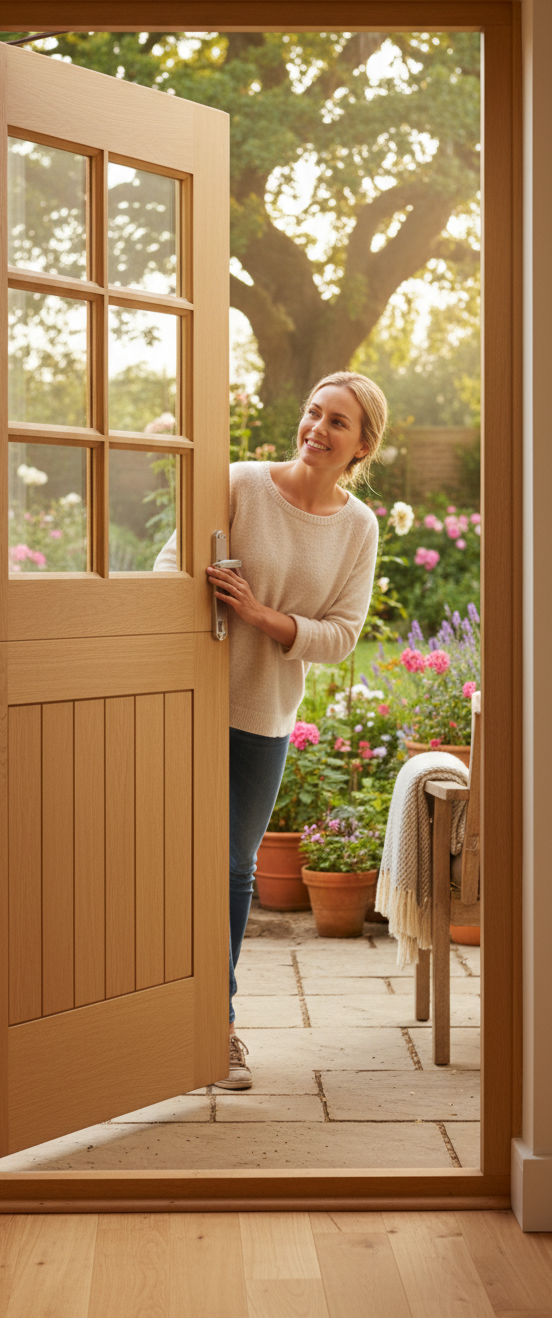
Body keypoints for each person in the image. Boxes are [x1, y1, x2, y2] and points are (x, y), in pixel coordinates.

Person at [155, 370, 387, 1089]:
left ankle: (214, 1029)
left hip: (261, 715)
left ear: (362, 445)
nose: (317, 428)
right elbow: (170, 565)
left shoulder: (357, 527)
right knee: (160, 854)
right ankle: (149, 1022)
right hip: (190, 697)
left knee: (230, 866)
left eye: (337, 422)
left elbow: (345, 634)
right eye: (313, 412)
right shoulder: (240, 482)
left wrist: (261, 616)